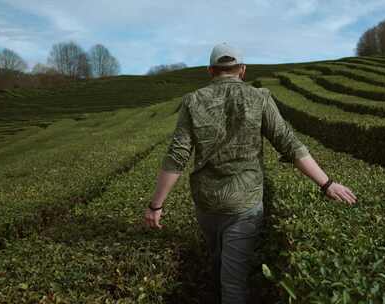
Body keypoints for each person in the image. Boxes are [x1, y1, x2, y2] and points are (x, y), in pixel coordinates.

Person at [144, 43, 357, 304]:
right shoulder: (260, 98)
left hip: (206, 203)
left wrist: (156, 205)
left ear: (210, 70)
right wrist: (327, 184)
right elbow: (289, 143)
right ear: (242, 70)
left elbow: (177, 156)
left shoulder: (193, 101)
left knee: (218, 258)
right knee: (235, 281)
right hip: (245, 203)